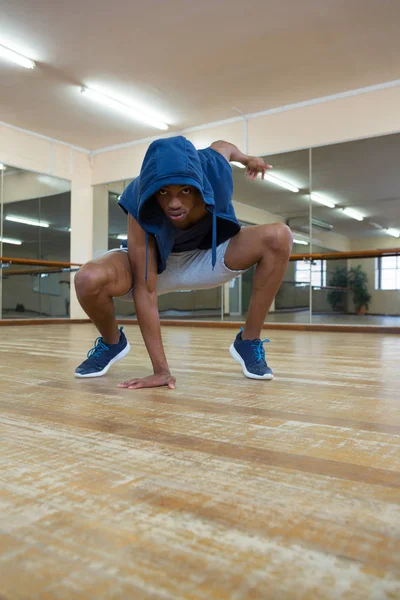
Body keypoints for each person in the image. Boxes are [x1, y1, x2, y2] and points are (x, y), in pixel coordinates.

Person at [74, 136, 293, 389]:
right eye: (164, 192)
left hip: (209, 256)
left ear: (198, 183)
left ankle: (249, 340)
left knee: (279, 235)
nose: (174, 203)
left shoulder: (213, 165)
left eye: (185, 191)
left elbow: (224, 147)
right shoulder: (140, 196)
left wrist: (247, 159)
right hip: (155, 261)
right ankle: (112, 343)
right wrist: (161, 371)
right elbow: (145, 290)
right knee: (87, 278)